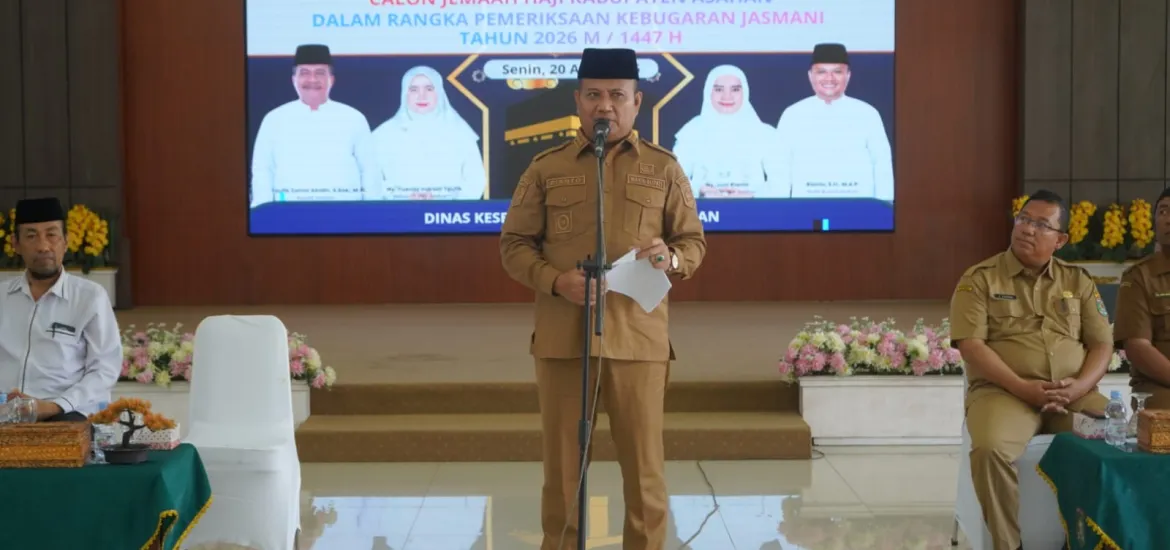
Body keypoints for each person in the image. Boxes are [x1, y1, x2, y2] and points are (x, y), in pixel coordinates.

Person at [499, 47, 706, 550]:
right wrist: (555, 280)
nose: (605, 106)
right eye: (593, 95)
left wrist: (670, 259)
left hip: (637, 339)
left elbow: (692, 244)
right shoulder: (546, 167)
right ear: (578, 101)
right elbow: (513, 245)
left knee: (645, 475)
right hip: (564, 341)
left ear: (637, 102)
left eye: (617, 95)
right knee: (563, 477)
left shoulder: (663, 167)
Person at [950, 189, 1112, 550]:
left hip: (1073, 395)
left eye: (1041, 224)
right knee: (990, 448)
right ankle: (1009, 545)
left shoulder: (1078, 281)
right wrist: (1024, 388)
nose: (1027, 229)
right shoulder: (980, 278)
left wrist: (1078, 387)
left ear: (1060, 240)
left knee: (1113, 440)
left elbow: (1102, 344)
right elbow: (971, 346)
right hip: (1004, 393)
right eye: (1023, 219)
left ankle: (1084, 541)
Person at [0, 198, 122, 421]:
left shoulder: (90, 297)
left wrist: (55, 406)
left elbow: (105, 369)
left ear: (66, 241)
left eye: (52, 234)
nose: (43, 246)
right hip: (5, 414)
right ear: (15, 244)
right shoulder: (2, 297)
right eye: (31, 236)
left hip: (66, 414)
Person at [250, 44, 379, 206]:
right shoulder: (274, 119)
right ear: (294, 80)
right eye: (304, 73)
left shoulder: (354, 118)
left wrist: (372, 211)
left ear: (331, 80)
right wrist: (264, 210)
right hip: (288, 213)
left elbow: (370, 170)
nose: (312, 79)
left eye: (320, 73)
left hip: (344, 212)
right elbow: (262, 170)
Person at [772, 43, 894, 202]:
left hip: (858, 207)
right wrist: (780, 208)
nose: (829, 78)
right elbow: (780, 169)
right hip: (807, 206)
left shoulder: (867, 113)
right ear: (810, 75)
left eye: (837, 72)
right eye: (821, 72)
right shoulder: (792, 115)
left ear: (848, 75)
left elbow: (882, 164)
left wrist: (884, 206)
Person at [373, 65, 486, 201]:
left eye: (429, 89)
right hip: (397, 211)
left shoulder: (460, 131)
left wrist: (445, 203)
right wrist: (402, 198)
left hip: (447, 212)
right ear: (405, 94)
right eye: (414, 89)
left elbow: (476, 180)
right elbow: (371, 180)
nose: (422, 96)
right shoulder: (383, 134)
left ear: (439, 92)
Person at [672, 64, 782, 199]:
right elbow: (674, 180)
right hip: (703, 210)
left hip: (755, 210)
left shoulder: (766, 134)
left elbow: (781, 184)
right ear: (708, 92)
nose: (727, 96)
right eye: (719, 89)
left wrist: (751, 196)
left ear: (745, 92)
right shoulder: (692, 131)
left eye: (735, 89)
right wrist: (699, 191)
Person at [1114, 187, 1170, 410]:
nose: (1168, 219)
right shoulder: (1139, 277)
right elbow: (1137, 348)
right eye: (1163, 212)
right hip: (1160, 386)